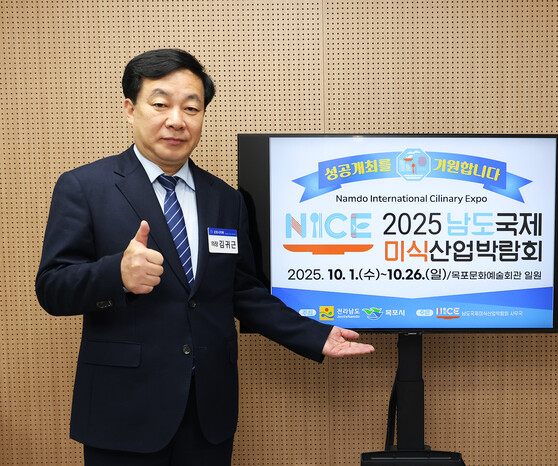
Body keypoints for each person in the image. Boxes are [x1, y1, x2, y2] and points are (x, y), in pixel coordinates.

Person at [35, 48, 374, 465]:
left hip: (207, 413)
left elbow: (243, 292)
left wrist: (314, 335)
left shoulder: (226, 199)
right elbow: (52, 288)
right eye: (160, 104)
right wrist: (115, 275)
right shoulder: (85, 187)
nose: (177, 120)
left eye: (191, 108)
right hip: (123, 410)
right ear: (130, 109)